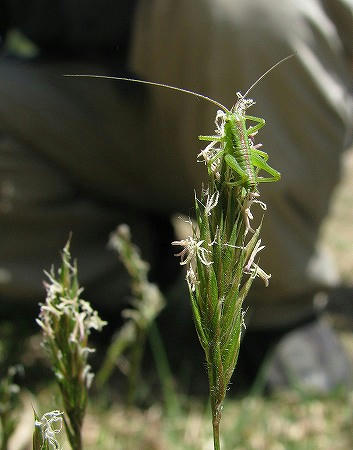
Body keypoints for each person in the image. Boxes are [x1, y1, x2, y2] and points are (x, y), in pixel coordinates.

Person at [0, 0, 352, 391]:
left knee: (253, 13)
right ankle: (141, 260)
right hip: (100, 108)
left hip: (256, 64)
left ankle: (280, 305)